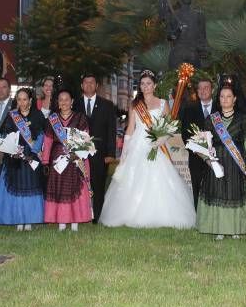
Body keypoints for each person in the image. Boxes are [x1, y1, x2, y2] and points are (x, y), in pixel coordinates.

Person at [101, 70, 196, 228]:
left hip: (157, 146)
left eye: (149, 84)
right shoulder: (135, 105)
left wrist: (161, 140)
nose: (145, 87)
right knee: (134, 178)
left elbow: (170, 126)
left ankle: (162, 214)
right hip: (138, 145)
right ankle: (132, 214)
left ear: (154, 85)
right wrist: (124, 153)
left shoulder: (162, 103)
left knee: (159, 177)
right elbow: (130, 129)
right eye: (143, 84)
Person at [196, 75, 246, 240]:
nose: (225, 99)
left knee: (235, 194)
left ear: (235, 99)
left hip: (236, 163)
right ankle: (219, 228)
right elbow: (202, 145)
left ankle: (235, 228)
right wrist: (209, 161)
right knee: (218, 193)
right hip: (217, 164)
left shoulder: (243, 119)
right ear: (219, 99)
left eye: (228, 97)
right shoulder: (211, 120)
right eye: (222, 96)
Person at [0, 87, 46, 231]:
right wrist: (8, 149)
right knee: (14, 185)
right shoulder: (11, 116)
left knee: (30, 186)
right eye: (19, 99)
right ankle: (17, 219)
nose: (22, 102)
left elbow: (41, 136)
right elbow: (3, 134)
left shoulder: (38, 115)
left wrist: (33, 152)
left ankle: (29, 220)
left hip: (30, 156)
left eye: (25, 99)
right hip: (13, 156)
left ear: (30, 100)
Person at [41, 88, 93, 230]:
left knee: (75, 187)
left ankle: (75, 222)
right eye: (60, 99)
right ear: (57, 103)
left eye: (66, 99)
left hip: (75, 158)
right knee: (59, 189)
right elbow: (48, 140)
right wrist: (45, 160)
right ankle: (61, 222)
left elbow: (85, 137)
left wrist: (78, 153)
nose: (64, 102)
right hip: (57, 159)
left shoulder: (80, 118)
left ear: (72, 102)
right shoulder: (52, 119)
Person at [73, 73, 116, 222]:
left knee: (98, 185)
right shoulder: (75, 104)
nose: (89, 85)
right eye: (86, 82)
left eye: (92, 82)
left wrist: (110, 153)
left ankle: (98, 218)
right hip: (79, 152)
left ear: (97, 85)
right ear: (81, 85)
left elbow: (111, 130)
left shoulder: (107, 104)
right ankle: (80, 215)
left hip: (100, 152)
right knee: (79, 184)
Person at [179, 77, 215, 207]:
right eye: (200, 88)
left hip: (216, 157)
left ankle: (214, 215)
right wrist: (197, 149)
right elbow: (185, 133)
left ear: (212, 90)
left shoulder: (220, 107)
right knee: (197, 187)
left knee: (215, 188)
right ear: (197, 91)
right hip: (196, 157)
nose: (203, 90)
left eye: (206, 87)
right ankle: (197, 215)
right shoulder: (189, 108)